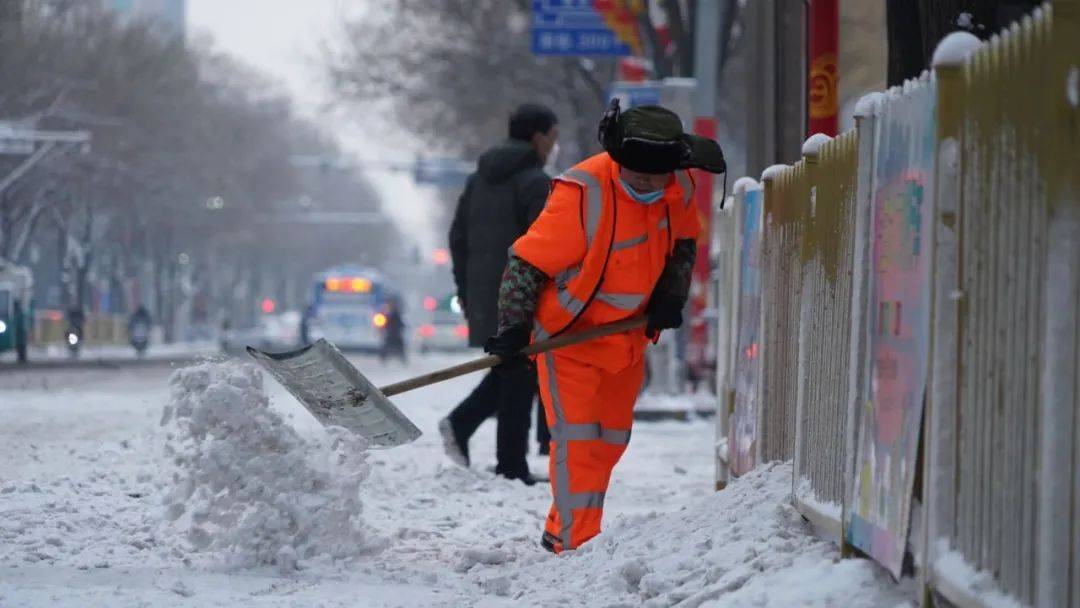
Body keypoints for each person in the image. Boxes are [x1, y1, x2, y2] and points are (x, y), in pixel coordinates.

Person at [485, 100, 726, 553]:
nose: (649, 187)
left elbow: (684, 242)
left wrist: (670, 297)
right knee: (577, 443)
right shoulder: (584, 192)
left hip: (626, 340)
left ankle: (561, 527)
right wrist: (514, 327)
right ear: (618, 163)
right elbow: (527, 263)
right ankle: (577, 545)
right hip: (569, 338)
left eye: (657, 180)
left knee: (610, 441)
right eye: (637, 180)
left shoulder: (681, 186)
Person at [440, 103, 559, 485]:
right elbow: (544, 247)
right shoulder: (535, 183)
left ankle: (502, 456)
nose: (553, 147)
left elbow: (457, 239)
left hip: (485, 295)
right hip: (521, 297)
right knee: (520, 370)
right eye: (553, 139)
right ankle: (495, 452)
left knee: (513, 370)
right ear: (538, 137)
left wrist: (469, 293)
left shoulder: (478, 180)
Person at [379, 296, 407, 364]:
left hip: (394, 334)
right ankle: (384, 360)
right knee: (394, 347)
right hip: (393, 334)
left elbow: (398, 323)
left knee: (392, 346)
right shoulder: (390, 313)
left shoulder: (394, 313)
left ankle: (402, 360)